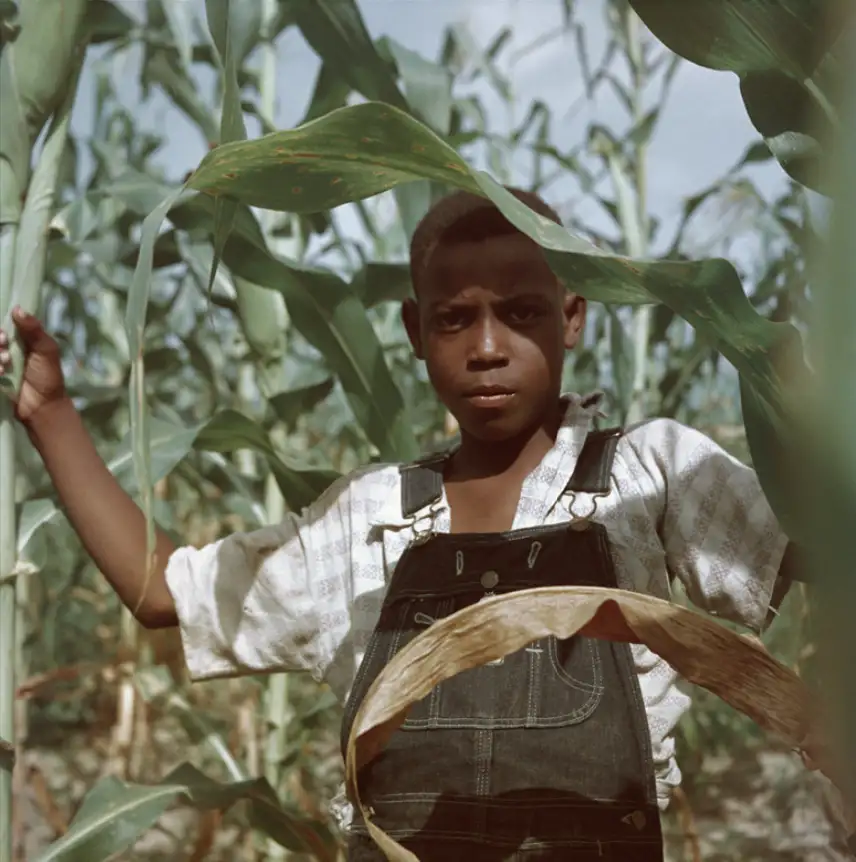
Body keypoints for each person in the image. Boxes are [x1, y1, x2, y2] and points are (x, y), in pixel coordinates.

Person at [1, 188, 806, 860]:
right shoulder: (371, 517)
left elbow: (817, 548)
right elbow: (164, 592)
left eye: (520, 314)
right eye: (456, 320)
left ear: (572, 318)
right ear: (415, 334)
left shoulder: (647, 476)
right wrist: (52, 413)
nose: (488, 348)